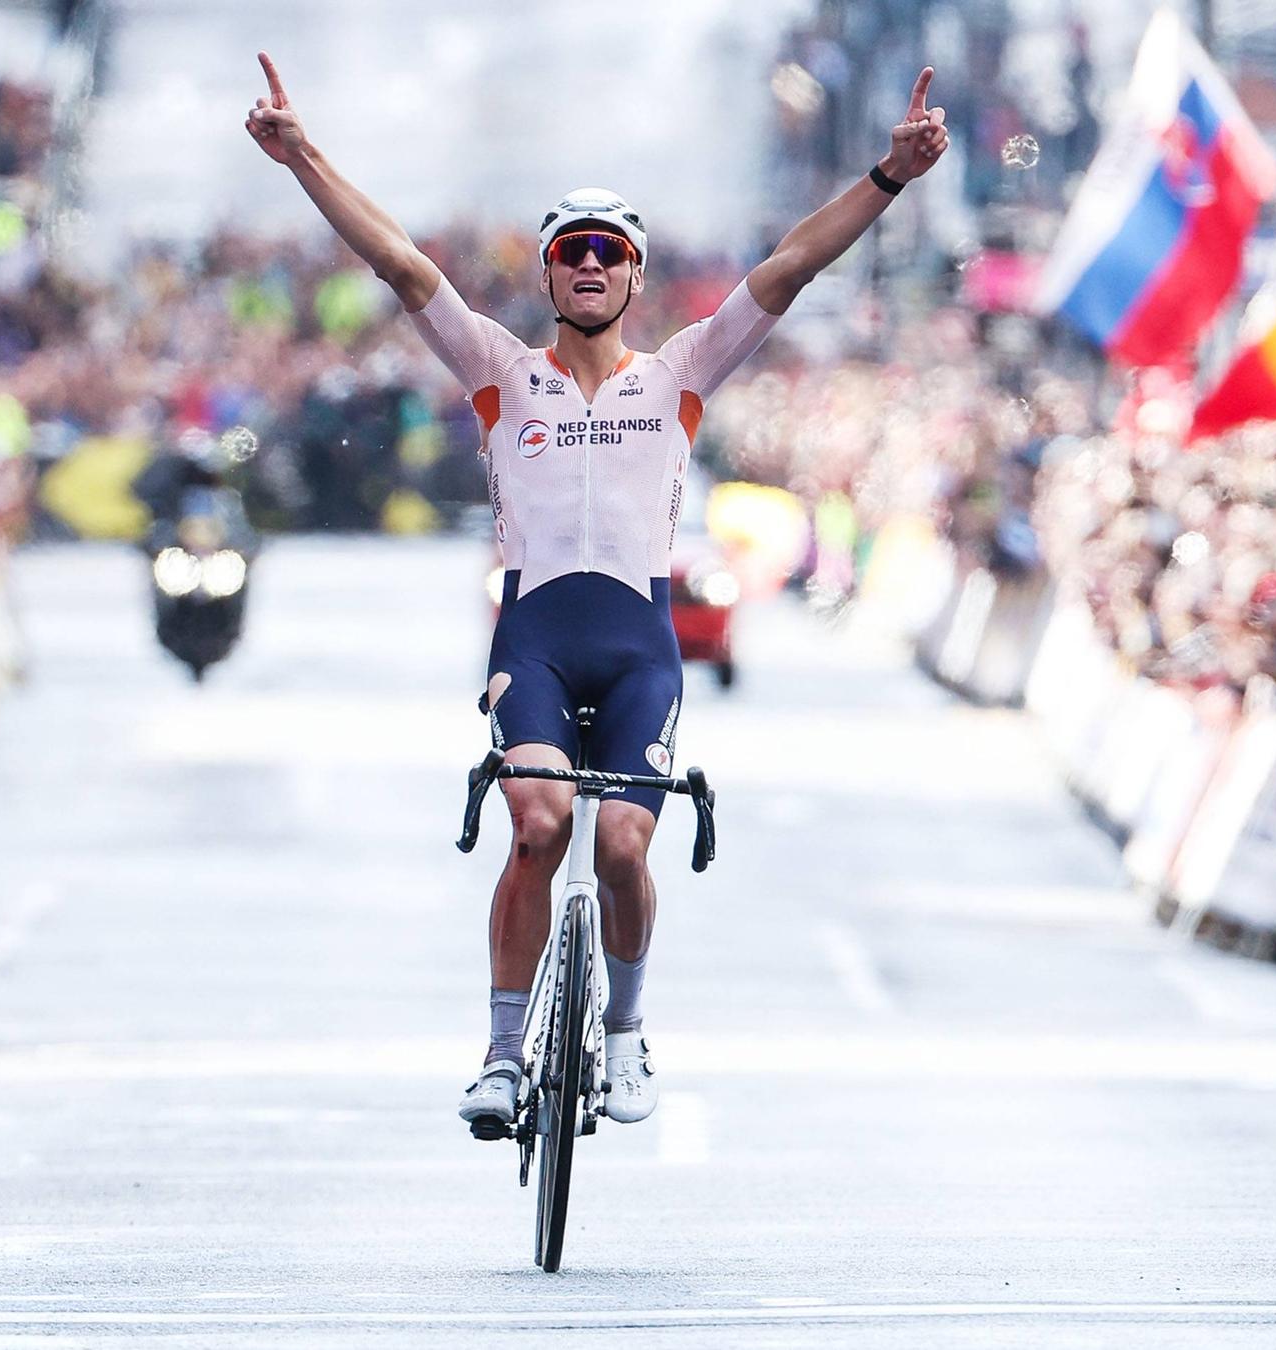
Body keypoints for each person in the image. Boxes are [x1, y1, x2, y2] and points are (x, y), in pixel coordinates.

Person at [246, 52, 950, 1134]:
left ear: (633, 277)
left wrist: (889, 175)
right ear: (547, 276)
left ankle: (624, 1036)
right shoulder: (500, 371)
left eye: (607, 251)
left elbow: (792, 265)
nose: (586, 263)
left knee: (621, 844)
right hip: (533, 643)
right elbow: (398, 262)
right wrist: (303, 158)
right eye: (569, 251)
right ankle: (500, 1055)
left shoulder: (679, 375)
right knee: (538, 825)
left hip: (637, 652)